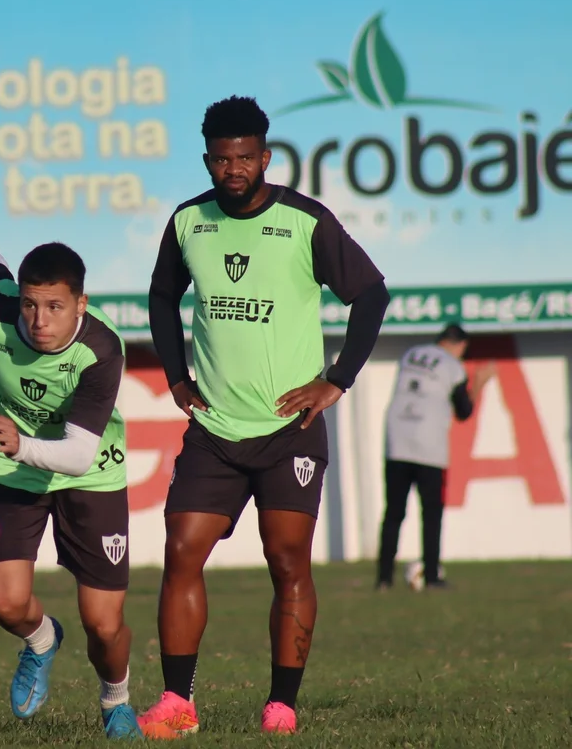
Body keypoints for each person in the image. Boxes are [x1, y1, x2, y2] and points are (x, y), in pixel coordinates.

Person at [138, 96, 390, 737]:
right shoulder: (188, 221)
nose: (234, 169)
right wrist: (175, 374)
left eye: (245, 157)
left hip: (290, 433)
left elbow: (371, 292)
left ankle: (282, 704)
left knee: (287, 562)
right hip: (216, 430)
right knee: (180, 550)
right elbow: (163, 294)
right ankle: (177, 702)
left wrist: (336, 379)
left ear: (265, 158)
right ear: (207, 160)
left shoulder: (306, 222)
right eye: (222, 159)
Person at [0, 242, 146, 740]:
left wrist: (21, 445)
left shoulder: (101, 349)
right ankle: (41, 640)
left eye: (55, 306)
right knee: (7, 604)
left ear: (80, 304)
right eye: (31, 304)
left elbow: (78, 454)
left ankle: (116, 699)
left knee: (103, 624)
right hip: (6, 466)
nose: (39, 320)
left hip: (89, 473)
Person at [376, 324, 496, 591]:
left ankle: (384, 579)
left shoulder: (411, 354)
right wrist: (478, 383)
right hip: (428, 447)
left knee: (393, 512)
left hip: (396, 440)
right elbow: (463, 412)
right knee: (431, 513)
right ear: (460, 345)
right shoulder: (454, 367)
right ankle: (432, 577)